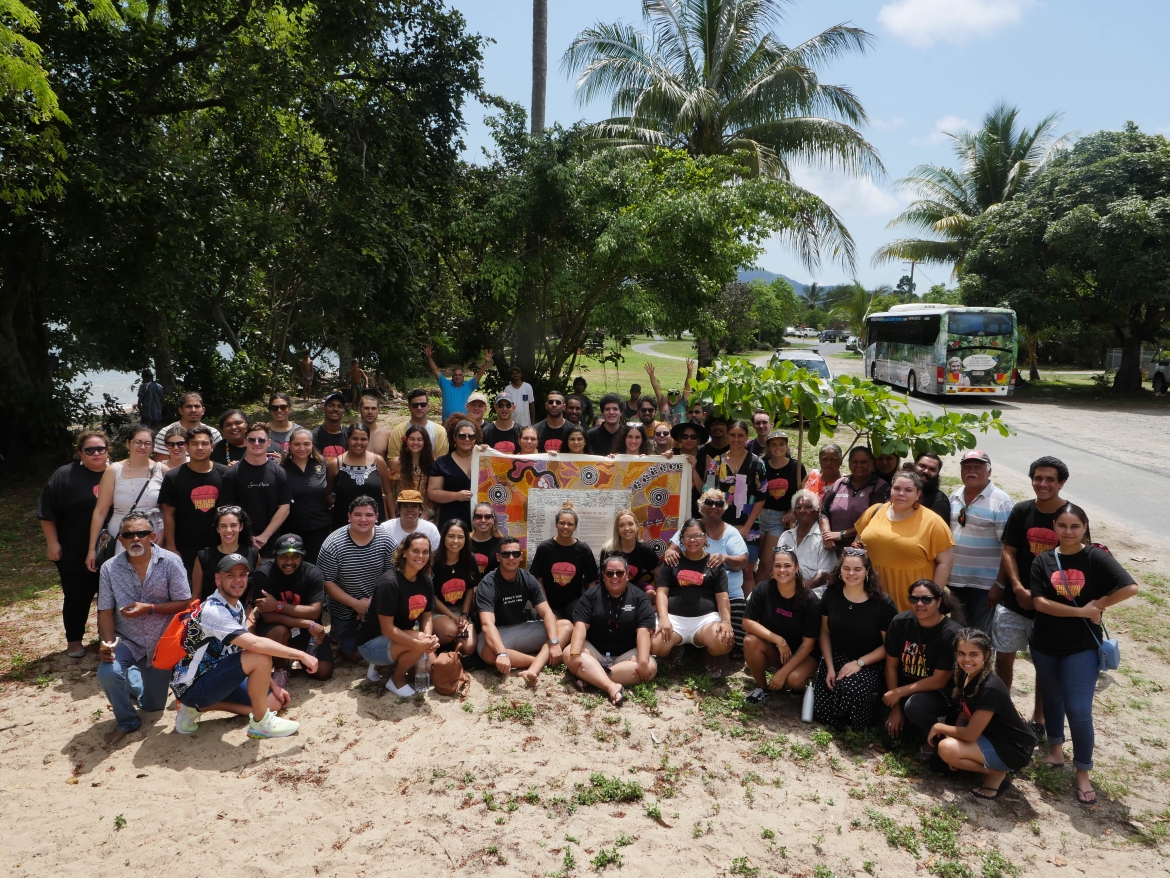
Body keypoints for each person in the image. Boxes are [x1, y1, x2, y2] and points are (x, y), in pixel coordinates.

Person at [1029, 503, 1138, 805]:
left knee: (1078, 710)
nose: (1068, 531)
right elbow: (1040, 604)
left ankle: (1082, 772)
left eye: (1074, 526)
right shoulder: (1043, 561)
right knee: (1051, 698)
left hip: (1080, 648)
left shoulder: (1096, 557)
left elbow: (1130, 587)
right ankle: (1055, 751)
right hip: (1044, 644)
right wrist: (1082, 612)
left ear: (1084, 528)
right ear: (1054, 527)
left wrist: (1099, 604)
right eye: (1062, 526)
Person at [171, 553, 313, 738]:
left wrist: (273, 685)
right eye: (230, 575)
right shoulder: (213, 610)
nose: (238, 580)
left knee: (274, 703)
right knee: (260, 654)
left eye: (243, 574)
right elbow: (254, 645)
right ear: (217, 579)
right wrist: (302, 655)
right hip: (193, 686)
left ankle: (198, 708)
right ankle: (260, 724)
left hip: (218, 674)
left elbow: (242, 647)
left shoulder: (236, 605)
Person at [95, 511, 192, 744]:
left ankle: (134, 678)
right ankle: (127, 722)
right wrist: (108, 645)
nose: (135, 539)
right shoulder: (109, 568)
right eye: (128, 534)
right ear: (120, 540)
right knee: (108, 671)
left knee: (153, 706)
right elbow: (105, 612)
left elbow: (184, 602)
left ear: (152, 536)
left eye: (141, 533)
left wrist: (150, 608)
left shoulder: (170, 561)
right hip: (127, 639)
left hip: (162, 642)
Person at [998, 456, 1079, 731]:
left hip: (1052, 607)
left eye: (1050, 479)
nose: (1042, 484)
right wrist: (1018, 588)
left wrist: (1042, 597)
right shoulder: (1021, 511)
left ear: (1062, 483)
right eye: (1038, 478)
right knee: (1003, 659)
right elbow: (1009, 551)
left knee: (1044, 667)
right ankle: (1001, 712)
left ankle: (1039, 719)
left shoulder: (1070, 516)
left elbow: (1078, 561)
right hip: (1014, 600)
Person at [929, 628, 1039, 799]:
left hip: (1013, 748)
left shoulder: (990, 688)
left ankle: (997, 773)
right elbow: (964, 713)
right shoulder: (966, 673)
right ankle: (987, 766)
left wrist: (939, 727)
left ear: (986, 655)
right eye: (961, 653)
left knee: (946, 749)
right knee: (940, 761)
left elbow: (971, 734)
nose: (966, 659)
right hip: (990, 736)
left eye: (974, 654)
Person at [39, 430, 110, 657]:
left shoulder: (117, 472)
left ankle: (107, 636)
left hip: (111, 549)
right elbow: (47, 513)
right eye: (90, 450)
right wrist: (53, 543)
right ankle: (74, 640)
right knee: (77, 595)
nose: (96, 453)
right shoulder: (65, 475)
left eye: (101, 449)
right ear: (80, 453)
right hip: (73, 547)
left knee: (110, 595)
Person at [812, 549, 897, 729]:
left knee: (850, 687)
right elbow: (825, 632)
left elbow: (889, 646)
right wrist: (829, 667)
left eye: (857, 569)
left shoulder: (882, 603)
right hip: (837, 657)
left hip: (870, 662)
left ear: (867, 571)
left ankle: (868, 717)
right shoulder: (832, 594)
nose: (851, 573)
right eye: (846, 568)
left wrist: (859, 663)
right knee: (822, 712)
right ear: (839, 570)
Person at [663, 488, 750, 657]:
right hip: (697, 587)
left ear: (724, 508)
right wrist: (669, 552)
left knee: (733, 646)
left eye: (718, 503)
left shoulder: (731, 532)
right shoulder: (691, 527)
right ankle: (689, 643)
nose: (714, 507)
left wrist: (724, 558)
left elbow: (743, 562)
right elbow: (671, 550)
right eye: (709, 502)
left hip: (728, 591)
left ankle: (709, 652)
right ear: (701, 506)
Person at [853, 471, 955, 612]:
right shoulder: (874, 511)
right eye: (896, 488)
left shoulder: (933, 522)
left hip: (912, 599)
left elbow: (945, 562)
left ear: (918, 494)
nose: (901, 493)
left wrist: (931, 598)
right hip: (871, 593)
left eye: (908, 490)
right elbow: (857, 542)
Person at [881, 579, 963, 750]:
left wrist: (897, 692)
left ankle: (938, 736)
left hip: (937, 694)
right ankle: (916, 727)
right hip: (905, 690)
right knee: (892, 742)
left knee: (915, 706)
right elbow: (891, 666)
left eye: (926, 599)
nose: (919, 604)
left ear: (939, 600)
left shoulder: (951, 633)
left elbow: (938, 681)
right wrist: (895, 708)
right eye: (914, 599)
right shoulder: (899, 622)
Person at [356, 532, 439, 696]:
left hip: (397, 637)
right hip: (371, 642)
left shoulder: (426, 580)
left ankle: (380, 666)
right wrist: (419, 645)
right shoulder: (389, 583)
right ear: (404, 552)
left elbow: (427, 615)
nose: (421, 556)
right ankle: (396, 680)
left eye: (425, 552)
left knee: (431, 671)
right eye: (415, 551)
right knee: (419, 644)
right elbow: (387, 629)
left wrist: (428, 638)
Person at [567, 555, 658, 705]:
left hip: (626, 654)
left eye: (620, 573)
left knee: (649, 667)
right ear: (603, 575)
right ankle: (610, 686)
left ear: (627, 574)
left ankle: (591, 677)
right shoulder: (590, 595)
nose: (614, 577)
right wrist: (576, 654)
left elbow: (644, 631)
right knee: (570, 652)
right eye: (610, 573)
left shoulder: (640, 598)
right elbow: (580, 626)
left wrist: (642, 662)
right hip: (594, 651)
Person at [318, 496, 397, 662]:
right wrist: (356, 604)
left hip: (377, 603)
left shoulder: (386, 540)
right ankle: (337, 632)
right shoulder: (333, 544)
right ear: (349, 516)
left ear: (376, 517)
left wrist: (371, 605)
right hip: (345, 608)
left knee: (386, 642)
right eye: (357, 514)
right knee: (352, 652)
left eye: (368, 515)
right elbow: (326, 582)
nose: (363, 519)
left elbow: (392, 577)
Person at [651, 518, 735, 673]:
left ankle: (708, 654)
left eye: (697, 535)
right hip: (674, 619)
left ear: (705, 537)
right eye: (688, 536)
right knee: (655, 645)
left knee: (724, 642)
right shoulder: (672, 561)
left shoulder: (714, 563)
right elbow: (662, 592)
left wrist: (726, 621)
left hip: (705, 621)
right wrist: (663, 619)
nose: (693, 540)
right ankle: (673, 650)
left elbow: (722, 596)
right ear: (682, 539)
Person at [477, 537, 563, 687]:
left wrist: (555, 643)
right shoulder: (488, 583)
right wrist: (502, 653)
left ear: (521, 556)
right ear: (498, 557)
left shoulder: (527, 578)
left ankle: (536, 665)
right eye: (506, 554)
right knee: (487, 652)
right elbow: (486, 624)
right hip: (499, 632)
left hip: (522, 628)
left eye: (515, 554)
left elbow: (547, 613)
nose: (511, 558)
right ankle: (540, 661)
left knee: (565, 626)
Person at [251, 534, 333, 683]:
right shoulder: (263, 574)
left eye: (295, 556)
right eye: (283, 557)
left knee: (323, 672)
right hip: (276, 628)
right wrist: (307, 623)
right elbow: (269, 616)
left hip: (306, 630)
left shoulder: (313, 573)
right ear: (275, 556)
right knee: (278, 631)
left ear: (302, 556)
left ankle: (296, 656)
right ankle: (280, 669)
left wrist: (277, 605)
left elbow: (314, 612)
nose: (289, 562)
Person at [742, 547, 820, 705]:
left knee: (794, 680)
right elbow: (747, 622)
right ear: (772, 567)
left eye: (787, 566)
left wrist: (783, 673)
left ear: (796, 568)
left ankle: (797, 681)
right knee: (750, 641)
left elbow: (809, 644)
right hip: (777, 650)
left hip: (804, 653)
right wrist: (779, 640)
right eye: (777, 565)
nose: (782, 570)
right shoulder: (763, 589)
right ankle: (763, 689)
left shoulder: (810, 599)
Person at [948, 450, 1013, 633]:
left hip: (986, 586)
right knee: (958, 633)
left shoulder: (1001, 502)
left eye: (978, 467)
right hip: (957, 582)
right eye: (967, 467)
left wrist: (1000, 585)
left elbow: (1009, 548)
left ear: (989, 471)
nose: (972, 471)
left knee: (981, 637)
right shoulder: (955, 496)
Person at [87, 425, 165, 571]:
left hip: (154, 534)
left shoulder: (162, 470)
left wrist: (164, 532)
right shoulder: (113, 471)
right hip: (122, 534)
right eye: (138, 442)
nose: (143, 446)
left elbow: (170, 509)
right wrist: (92, 548)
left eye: (147, 443)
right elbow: (100, 512)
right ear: (128, 443)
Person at [159, 425, 228, 575]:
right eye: (194, 444)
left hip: (220, 544)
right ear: (188, 448)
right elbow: (168, 513)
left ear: (212, 447)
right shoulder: (173, 477)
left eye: (204, 443)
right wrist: (171, 547)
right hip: (185, 547)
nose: (200, 448)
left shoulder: (226, 474)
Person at [708, 420, 767, 594]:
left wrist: (747, 526)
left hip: (749, 526)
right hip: (721, 526)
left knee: (748, 571)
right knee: (720, 570)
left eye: (740, 435)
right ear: (727, 435)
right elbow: (708, 494)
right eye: (732, 435)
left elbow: (762, 497)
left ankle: (749, 613)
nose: (736, 439)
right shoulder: (717, 463)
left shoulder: (757, 463)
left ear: (747, 437)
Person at [530, 502, 599, 646]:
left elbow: (592, 580)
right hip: (548, 601)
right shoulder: (544, 548)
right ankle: (558, 645)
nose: (565, 527)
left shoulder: (583, 549)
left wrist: (588, 605)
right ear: (556, 524)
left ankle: (569, 645)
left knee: (583, 623)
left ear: (575, 527)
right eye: (562, 523)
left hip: (573, 601)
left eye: (570, 524)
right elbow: (538, 580)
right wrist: (546, 608)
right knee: (549, 625)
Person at [219, 423, 291, 555]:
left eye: (261, 440)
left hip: (270, 543)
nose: (257, 443)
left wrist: (265, 536)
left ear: (268, 442)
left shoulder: (279, 472)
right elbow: (227, 511)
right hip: (239, 543)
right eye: (252, 439)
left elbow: (284, 508)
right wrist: (248, 537)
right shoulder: (231, 473)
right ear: (245, 442)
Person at [819, 446, 890, 555]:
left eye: (864, 462)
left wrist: (842, 534)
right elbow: (823, 511)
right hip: (831, 549)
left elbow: (875, 520)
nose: (859, 466)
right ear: (849, 464)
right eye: (854, 462)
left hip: (860, 551)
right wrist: (827, 535)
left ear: (872, 463)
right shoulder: (840, 483)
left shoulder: (880, 487)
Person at [757, 429, 807, 579]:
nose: (778, 447)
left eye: (781, 444)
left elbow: (802, 492)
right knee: (756, 559)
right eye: (773, 444)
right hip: (760, 515)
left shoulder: (796, 466)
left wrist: (792, 511)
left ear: (786, 446)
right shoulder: (763, 465)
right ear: (768, 447)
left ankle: (756, 597)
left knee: (767, 563)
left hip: (779, 519)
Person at [280, 428, 333, 562]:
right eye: (297, 444)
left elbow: (327, 490)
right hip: (291, 527)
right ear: (290, 446)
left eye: (306, 444)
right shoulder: (281, 467)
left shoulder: (321, 463)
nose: (302, 448)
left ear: (312, 445)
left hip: (319, 526)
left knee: (317, 565)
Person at [327, 422, 393, 529]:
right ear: (348, 439)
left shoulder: (378, 461)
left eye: (363, 439)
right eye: (355, 438)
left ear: (368, 440)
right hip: (344, 524)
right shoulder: (336, 464)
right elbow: (326, 491)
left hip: (375, 524)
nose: (359, 442)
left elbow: (388, 492)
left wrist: (393, 518)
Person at [431, 519, 479, 656]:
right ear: (444, 537)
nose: (455, 541)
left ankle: (449, 644)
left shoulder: (469, 559)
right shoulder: (433, 561)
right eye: (451, 536)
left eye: (460, 537)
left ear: (466, 539)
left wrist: (464, 615)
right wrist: (454, 618)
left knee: (469, 648)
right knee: (450, 631)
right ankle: (443, 640)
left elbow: (470, 589)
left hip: (461, 610)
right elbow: (433, 598)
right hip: (438, 610)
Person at [192, 506, 259, 600]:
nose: (228, 530)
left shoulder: (253, 554)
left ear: (241, 526)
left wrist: (249, 607)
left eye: (233, 525)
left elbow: (253, 587)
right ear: (217, 528)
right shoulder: (203, 556)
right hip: (212, 612)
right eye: (223, 526)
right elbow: (196, 596)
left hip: (243, 612)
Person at [777, 489, 836, 592]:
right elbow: (777, 567)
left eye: (808, 507)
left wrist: (799, 591)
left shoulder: (824, 539)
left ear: (816, 512)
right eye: (798, 507)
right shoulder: (785, 536)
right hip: (786, 590)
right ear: (794, 513)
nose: (802, 510)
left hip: (813, 592)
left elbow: (824, 574)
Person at [424, 343, 493, 420]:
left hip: (464, 422)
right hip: (447, 421)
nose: (458, 377)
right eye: (456, 375)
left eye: (460, 375)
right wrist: (429, 357)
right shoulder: (445, 384)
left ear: (463, 376)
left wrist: (487, 362)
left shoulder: (469, 386)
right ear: (452, 376)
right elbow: (435, 371)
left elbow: (479, 374)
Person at [429, 419, 477, 528]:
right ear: (454, 437)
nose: (467, 439)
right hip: (451, 519)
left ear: (475, 438)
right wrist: (456, 496)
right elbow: (432, 493)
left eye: (471, 436)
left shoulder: (483, 460)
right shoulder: (442, 463)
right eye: (462, 436)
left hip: (480, 520)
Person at [600, 509, 660, 594]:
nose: (627, 528)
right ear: (617, 529)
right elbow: (603, 578)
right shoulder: (608, 549)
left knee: (651, 594)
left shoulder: (644, 549)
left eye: (630, 524)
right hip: (613, 586)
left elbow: (660, 573)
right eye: (621, 525)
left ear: (637, 526)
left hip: (634, 586)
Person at [152, 391, 221, 461]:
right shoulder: (165, 433)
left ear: (203, 410)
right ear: (180, 410)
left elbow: (218, 461)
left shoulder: (213, 433)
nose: (193, 410)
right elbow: (160, 465)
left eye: (197, 406)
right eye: (189, 406)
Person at [388, 423, 436, 520]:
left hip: (425, 516)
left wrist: (428, 513)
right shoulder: (397, 463)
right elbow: (389, 491)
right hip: (401, 515)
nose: (415, 443)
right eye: (412, 439)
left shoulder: (433, 463)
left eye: (419, 439)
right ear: (406, 441)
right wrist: (393, 516)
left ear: (425, 442)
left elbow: (436, 492)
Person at [387, 388, 449, 459]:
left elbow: (442, 461)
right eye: (415, 405)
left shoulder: (440, 431)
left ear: (428, 406)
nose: (419, 408)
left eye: (423, 404)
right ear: (409, 407)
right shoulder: (398, 431)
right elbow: (393, 460)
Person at [643, 360, 693, 426]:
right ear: (668, 396)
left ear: (680, 396)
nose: (673, 396)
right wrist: (651, 375)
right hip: (664, 435)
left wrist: (690, 371)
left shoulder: (683, 404)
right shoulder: (663, 403)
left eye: (676, 394)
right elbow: (657, 389)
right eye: (670, 394)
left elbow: (687, 386)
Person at [311, 392, 350, 464]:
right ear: (323, 409)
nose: (335, 409)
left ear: (343, 412)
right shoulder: (314, 436)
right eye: (331, 405)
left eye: (339, 406)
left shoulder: (350, 434)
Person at [914, 453, 952, 524]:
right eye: (922, 466)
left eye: (932, 469)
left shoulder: (939, 500)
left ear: (937, 474)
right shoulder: (902, 491)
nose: (926, 471)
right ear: (914, 466)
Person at [470, 501, 505, 577]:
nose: (483, 520)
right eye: (478, 516)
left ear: (493, 520)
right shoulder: (464, 541)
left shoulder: (501, 543)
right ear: (473, 519)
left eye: (488, 517)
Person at [358, 394, 392, 460]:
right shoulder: (352, 433)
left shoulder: (387, 434)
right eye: (366, 408)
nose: (370, 412)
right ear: (359, 410)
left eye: (373, 408)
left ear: (378, 410)